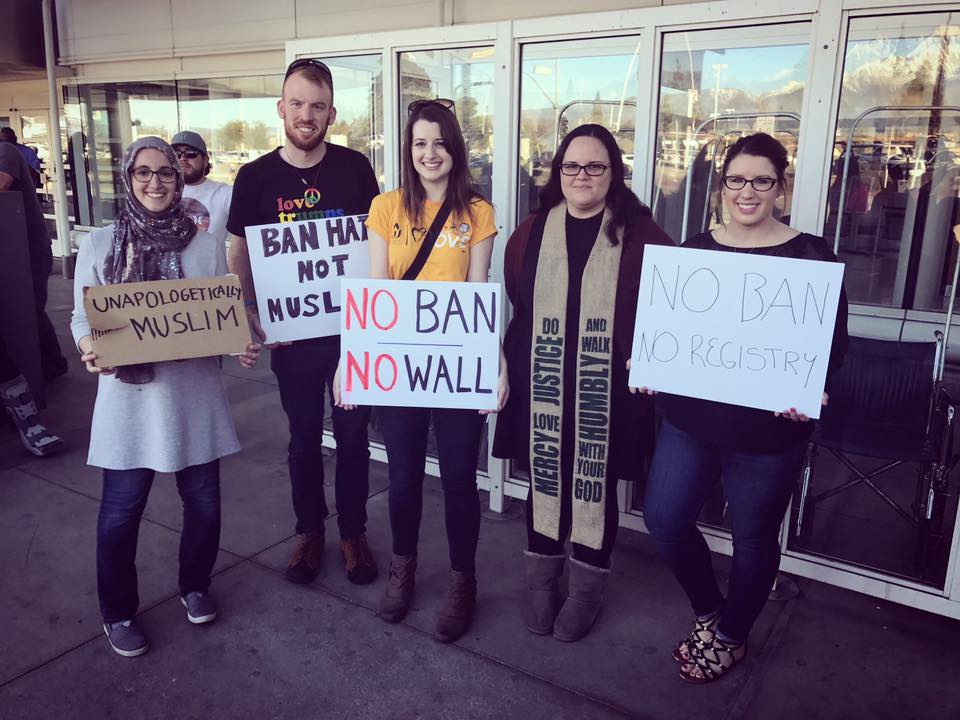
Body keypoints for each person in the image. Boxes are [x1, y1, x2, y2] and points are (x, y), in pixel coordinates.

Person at [639, 133, 848, 683]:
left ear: (781, 187)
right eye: (736, 179)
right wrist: (651, 367)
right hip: (691, 421)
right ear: (722, 185)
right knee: (664, 519)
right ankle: (711, 612)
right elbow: (669, 331)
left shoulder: (811, 254)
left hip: (769, 432)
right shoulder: (694, 252)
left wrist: (812, 387)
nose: (747, 192)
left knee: (754, 537)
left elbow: (834, 345)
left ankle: (731, 638)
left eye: (762, 180)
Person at [70, 137, 261, 657]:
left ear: (180, 180)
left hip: (193, 395)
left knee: (203, 504)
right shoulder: (101, 243)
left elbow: (220, 311)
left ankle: (195, 583)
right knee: (120, 513)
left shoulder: (202, 243)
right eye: (143, 173)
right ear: (128, 179)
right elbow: (82, 315)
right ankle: (118, 611)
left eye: (166, 173)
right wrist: (90, 345)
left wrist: (239, 341)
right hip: (129, 402)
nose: (156, 182)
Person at [492, 123, 671, 642]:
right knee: (545, 476)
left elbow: (667, 310)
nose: (582, 175)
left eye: (595, 166)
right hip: (542, 380)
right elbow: (518, 303)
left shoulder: (643, 235)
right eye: (571, 165)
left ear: (613, 173)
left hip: (607, 390)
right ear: (558, 172)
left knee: (594, 484)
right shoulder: (529, 233)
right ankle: (542, 581)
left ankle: (587, 590)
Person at [343, 98, 505, 643]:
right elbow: (376, 293)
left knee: (460, 479)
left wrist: (495, 362)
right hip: (400, 365)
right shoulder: (386, 208)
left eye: (439, 142)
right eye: (419, 143)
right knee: (405, 476)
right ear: (407, 151)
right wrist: (352, 361)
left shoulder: (477, 212)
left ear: (454, 147)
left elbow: (480, 294)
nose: (429, 153)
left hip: (457, 366)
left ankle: (463, 584)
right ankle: (402, 571)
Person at [227, 59, 381, 587]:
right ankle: (310, 531)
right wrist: (249, 307)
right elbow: (238, 248)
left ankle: (353, 532)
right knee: (302, 438)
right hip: (291, 335)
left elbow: (373, 244)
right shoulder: (254, 177)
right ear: (281, 108)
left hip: (349, 332)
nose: (306, 115)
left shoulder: (355, 168)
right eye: (297, 103)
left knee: (355, 435)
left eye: (317, 106)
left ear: (332, 113)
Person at [172, 130, 232, 252]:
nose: (183, 158)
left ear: (205, 160)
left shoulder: (225, 193)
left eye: (190, 153)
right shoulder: (161, 193)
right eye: (176, 154)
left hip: (212, 270)